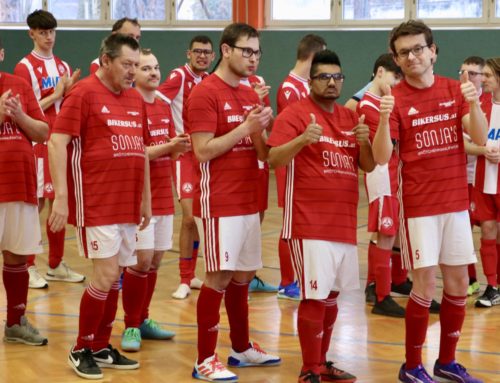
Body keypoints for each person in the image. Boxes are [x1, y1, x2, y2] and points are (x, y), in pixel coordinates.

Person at [373, 20, 487, 383]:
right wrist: (383, 117)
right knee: (424, 287)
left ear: (433, 51)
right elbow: (379, 157)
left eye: (419, 48)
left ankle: (447, 361)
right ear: (396, 58)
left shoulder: (455, 90)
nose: (412, 57)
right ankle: (412, 366)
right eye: (404, 52)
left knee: (456, 287)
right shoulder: (396, 99)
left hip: (455, 204)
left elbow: (481, 138)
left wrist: (474, 104)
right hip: (420, 208)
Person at [48, 33, 150, 380]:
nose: (132, 71)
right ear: (106, 60)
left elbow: (141, 152)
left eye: (136, 65)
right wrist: (61, 197)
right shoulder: (84, 93)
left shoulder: (136, 98)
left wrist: (145, 199)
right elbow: (57, 142)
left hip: (127, 204)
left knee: (115, 277)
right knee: (105, 275)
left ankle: (101, 345)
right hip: (98, 202)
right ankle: (80, 347)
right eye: (126, 64)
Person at [268, 49, 372, 383]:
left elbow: (367, 165)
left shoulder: (347, 117)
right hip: (308, 222)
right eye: (324, 77)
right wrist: (302, 140)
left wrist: (365, 141)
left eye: (336, 76)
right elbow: (273, 159)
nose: (331, 82)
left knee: (331, 297)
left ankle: (322, 361)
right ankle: (308, 367)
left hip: (342, 224)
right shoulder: (296, 114)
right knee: (314, 295)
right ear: (311, 80)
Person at [187, 23, 281, 382]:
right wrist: (244, 128)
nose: (253, 58)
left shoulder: (249, 92)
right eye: (247, 51)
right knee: (219, 277)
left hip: (248, 198)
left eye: (257, 52)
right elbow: (201, 151)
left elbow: (262, 153)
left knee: (243, 275)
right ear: (226, 50)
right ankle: (204, 360)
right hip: (219, 200)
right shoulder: (205, 92)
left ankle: (240, 348)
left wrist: (261, 129)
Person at [120, 48, 191, 351]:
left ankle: (144, 319)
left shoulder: (163, 106)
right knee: (141, 259)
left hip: (163, 191)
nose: (153, 73)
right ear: (134, 72)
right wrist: (168, 147)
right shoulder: (130, 105)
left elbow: (169, 147)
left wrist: (180, 147)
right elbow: (136, 152)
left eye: (156, 67)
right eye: (146, 68)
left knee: (156, 259)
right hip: (139, 194)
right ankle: (131, 326)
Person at [14, 9, 83, 289]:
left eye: (52, 32)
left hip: (59, 142)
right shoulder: (24, 67)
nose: (49, 37)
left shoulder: (64, 67)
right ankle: (28, 265)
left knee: (58, 203)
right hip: (36, 142)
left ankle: (55, 264)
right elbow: (23, 111)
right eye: (43, 32)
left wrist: (68, 94)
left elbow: (64, 106)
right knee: (36, 203)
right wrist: (54, 95)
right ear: (32, 33)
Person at [157, 35, 215, 299]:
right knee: (189, 217)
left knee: (201, 217)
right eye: (197, 52)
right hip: (184, 157)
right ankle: (183, 278)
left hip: (207, 157)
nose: (202, 56)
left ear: (213, 57)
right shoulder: (179, 76)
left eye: (206, 53)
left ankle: (192, 275)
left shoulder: (210, 82)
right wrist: (170, 136)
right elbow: (157, 100)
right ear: (188, 54)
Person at [0, 35, 49, 346]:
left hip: (20, 184)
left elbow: (43, 132)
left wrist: (18, 115)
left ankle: (15, 322)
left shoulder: (19, 84)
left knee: (18, 257)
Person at [275, 33, 326, 300]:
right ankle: (286, 282)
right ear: (313, 56)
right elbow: (300, 127)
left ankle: (303, 275)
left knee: (305, 222)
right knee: (289, 223)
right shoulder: (290, 88)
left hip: (309, 164)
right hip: (291, 164)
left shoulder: (306, 86)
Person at [357, 53, 407, 318]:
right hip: (382, 175)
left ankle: (384, 284)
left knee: (392, 231)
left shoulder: (384, 102)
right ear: (379, 73)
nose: (398, 82)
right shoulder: (371, 105)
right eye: (395, 76)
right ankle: (382, 296)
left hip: (393, 175)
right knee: (385, 233)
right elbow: (389, 144)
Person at [459, 56, 490, 297]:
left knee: (491, 230)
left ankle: (494, 281)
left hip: (487, 178)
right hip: (462, 179)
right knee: (462, 233)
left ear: (483, 76)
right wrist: (483, 149)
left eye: (473, 72)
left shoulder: (491, 102)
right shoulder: (456, 101)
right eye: (463, 71)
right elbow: (462, 144)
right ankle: (470, 279)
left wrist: (480, 147)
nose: (467, 76)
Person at [470, 57, 500, 308]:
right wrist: (481, 151)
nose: (483, 79)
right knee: (488, 230)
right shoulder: (480, 105)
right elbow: (466, 141)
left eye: (488, 75)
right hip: (483, 178)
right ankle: (492, 286)